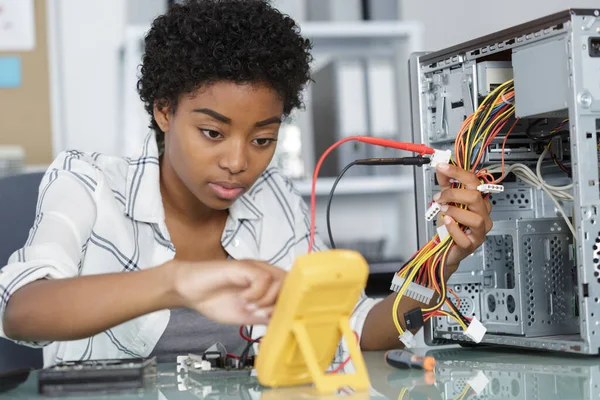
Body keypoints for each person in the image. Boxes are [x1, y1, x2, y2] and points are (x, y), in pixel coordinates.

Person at [0, 0, 492, 366]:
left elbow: (357, 326)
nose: (238, 162)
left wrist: (444, 259)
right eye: (212, 133)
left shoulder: (274, 198)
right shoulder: (87, 184)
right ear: (164, 111)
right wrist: (175, 282)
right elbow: (22, 312)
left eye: (263, 138)